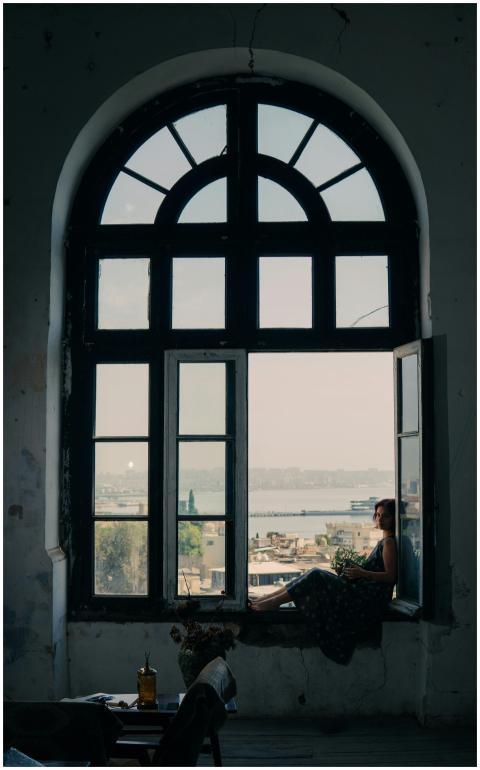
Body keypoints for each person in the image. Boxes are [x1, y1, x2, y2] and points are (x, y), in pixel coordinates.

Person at [250, 499, 397, 665]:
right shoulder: (384, 542)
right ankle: (268, 600)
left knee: (316, 575)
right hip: (363, 593)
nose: (380, 519)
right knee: (312, 576)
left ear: (394, 518)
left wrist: (361, 573)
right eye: (377, 515)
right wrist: (353, 573)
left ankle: (272, 602)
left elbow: (391, 577)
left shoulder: (389, 543)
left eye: (385, 516)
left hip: (367, 599)